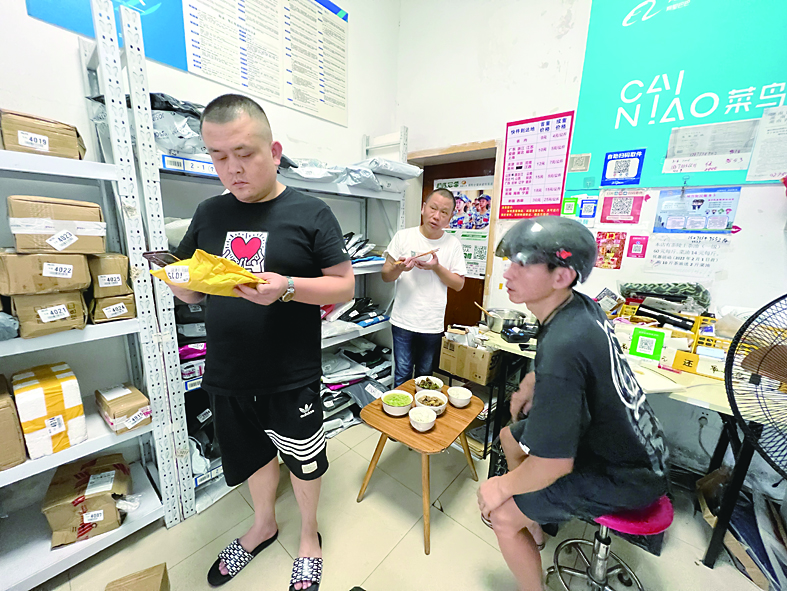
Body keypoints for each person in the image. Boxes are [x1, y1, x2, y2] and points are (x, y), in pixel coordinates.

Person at [170, 94, 354, 591]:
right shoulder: (209, 213)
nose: (232, 168)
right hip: (228, 371)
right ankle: (263, 525)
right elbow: (192, 286)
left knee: (304, 461)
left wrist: (288, 287)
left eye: (244, 153)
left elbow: (343, 285)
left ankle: (309, 536)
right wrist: (177, 281)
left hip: (291, 375)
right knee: (253, 456)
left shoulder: (311, 212)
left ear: (273, 152)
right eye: (218, 156)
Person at [476, 216, 669, 591]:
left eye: (522, 264)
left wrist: (501, 487)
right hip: (636, 446)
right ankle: (534, 524)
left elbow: (554, 463)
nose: (508, 272)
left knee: (500, 515)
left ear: (561, 276)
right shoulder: (579, 307)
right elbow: (578, 365)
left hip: (626, 475)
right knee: (510, 437)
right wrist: (533, 380)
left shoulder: (565, 344)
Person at [381, 189, 466, 386]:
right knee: (402, 374)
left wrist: (436, 267)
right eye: (433, 208)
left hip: (432, 322)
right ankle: (400, 406)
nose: (436, 216)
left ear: (450, 217)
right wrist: (399, 268)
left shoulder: (453, 244)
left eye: (444, 212)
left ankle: (421, 407)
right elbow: (386, 275)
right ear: (423, 208)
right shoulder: (403, 236)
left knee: (425, 375)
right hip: (403, 320)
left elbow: (459, 284)